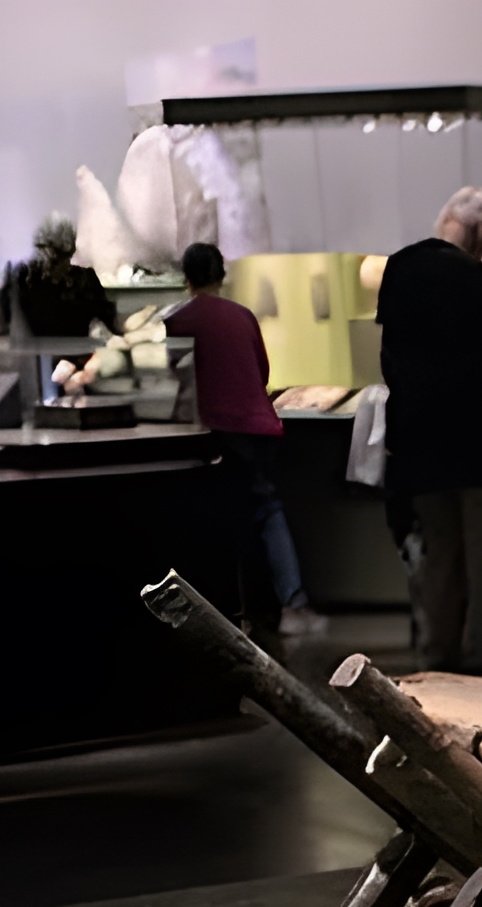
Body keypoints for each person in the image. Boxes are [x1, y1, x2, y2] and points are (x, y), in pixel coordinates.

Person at [374, 186, 482, 673]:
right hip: (481, 444)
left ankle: (436, 658)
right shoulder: (478, 278)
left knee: (438, 553)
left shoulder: (399, 269)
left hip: (421, 444)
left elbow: (390, 359)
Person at [169, 240, 314, 635]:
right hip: (261, 427)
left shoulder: (179, 321)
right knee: (268, 509)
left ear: (186, 279)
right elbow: (262, 372)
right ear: (221, 275)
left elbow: (174, 378)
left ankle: (235, 609)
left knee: (227, 517)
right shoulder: (243, 316)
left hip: (221, 432)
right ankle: (292, 605)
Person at [7, 217, 118, 340]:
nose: (47, 256)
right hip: (40, 348)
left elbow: (109, 318)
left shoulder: (86, 279)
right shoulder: (25, 278)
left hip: (72, 348)